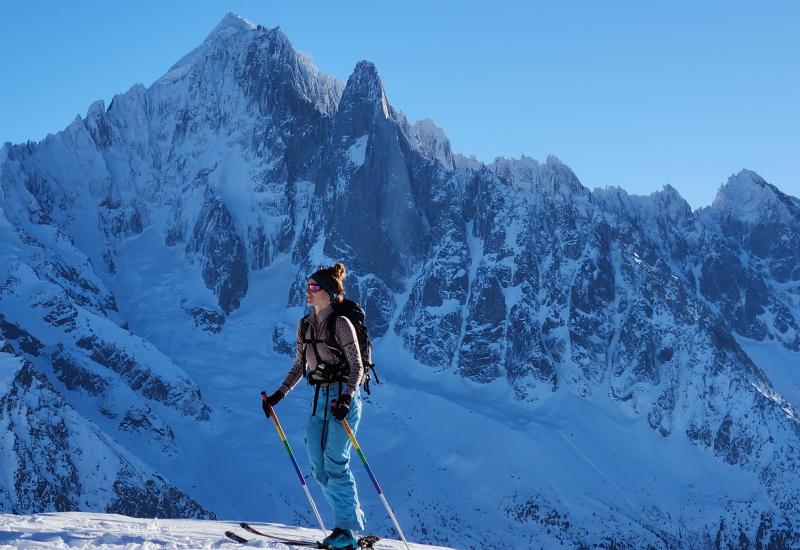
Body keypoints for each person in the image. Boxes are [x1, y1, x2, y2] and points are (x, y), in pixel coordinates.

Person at [262, 263, 366, 550]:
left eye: (314, 287)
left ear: (330, 293)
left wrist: (346, 398)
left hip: (341, 399)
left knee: (335, 462)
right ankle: (342, 527)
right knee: (318, 466)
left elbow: (357, 366)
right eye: (307, 286)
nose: (308, 291)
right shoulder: (305, 324)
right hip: (319, 398)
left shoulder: (341, 325)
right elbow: (299, 365)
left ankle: (348, 531)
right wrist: (278, 395)